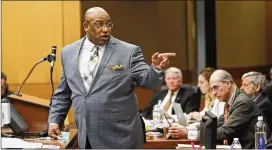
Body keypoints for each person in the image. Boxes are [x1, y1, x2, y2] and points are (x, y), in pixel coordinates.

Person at [47, 7, 176, 149]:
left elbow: (148, 81)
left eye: (108, 24)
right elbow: (63, 94)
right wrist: (54, 120)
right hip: (87, 137)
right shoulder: (68, 52)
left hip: (121, 137)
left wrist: (156, 69)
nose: (105, 29)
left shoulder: (129, 51)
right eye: (98, 24)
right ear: (86, 26)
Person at [169, 69, 272, 149]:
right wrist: (188, 129)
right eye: (212, 89)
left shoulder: (242, 102)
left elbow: (223, 132)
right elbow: (215, 123)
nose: (213, 92)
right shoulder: (232, 101)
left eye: (215, 87)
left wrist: (188, 133)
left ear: (228, 84)